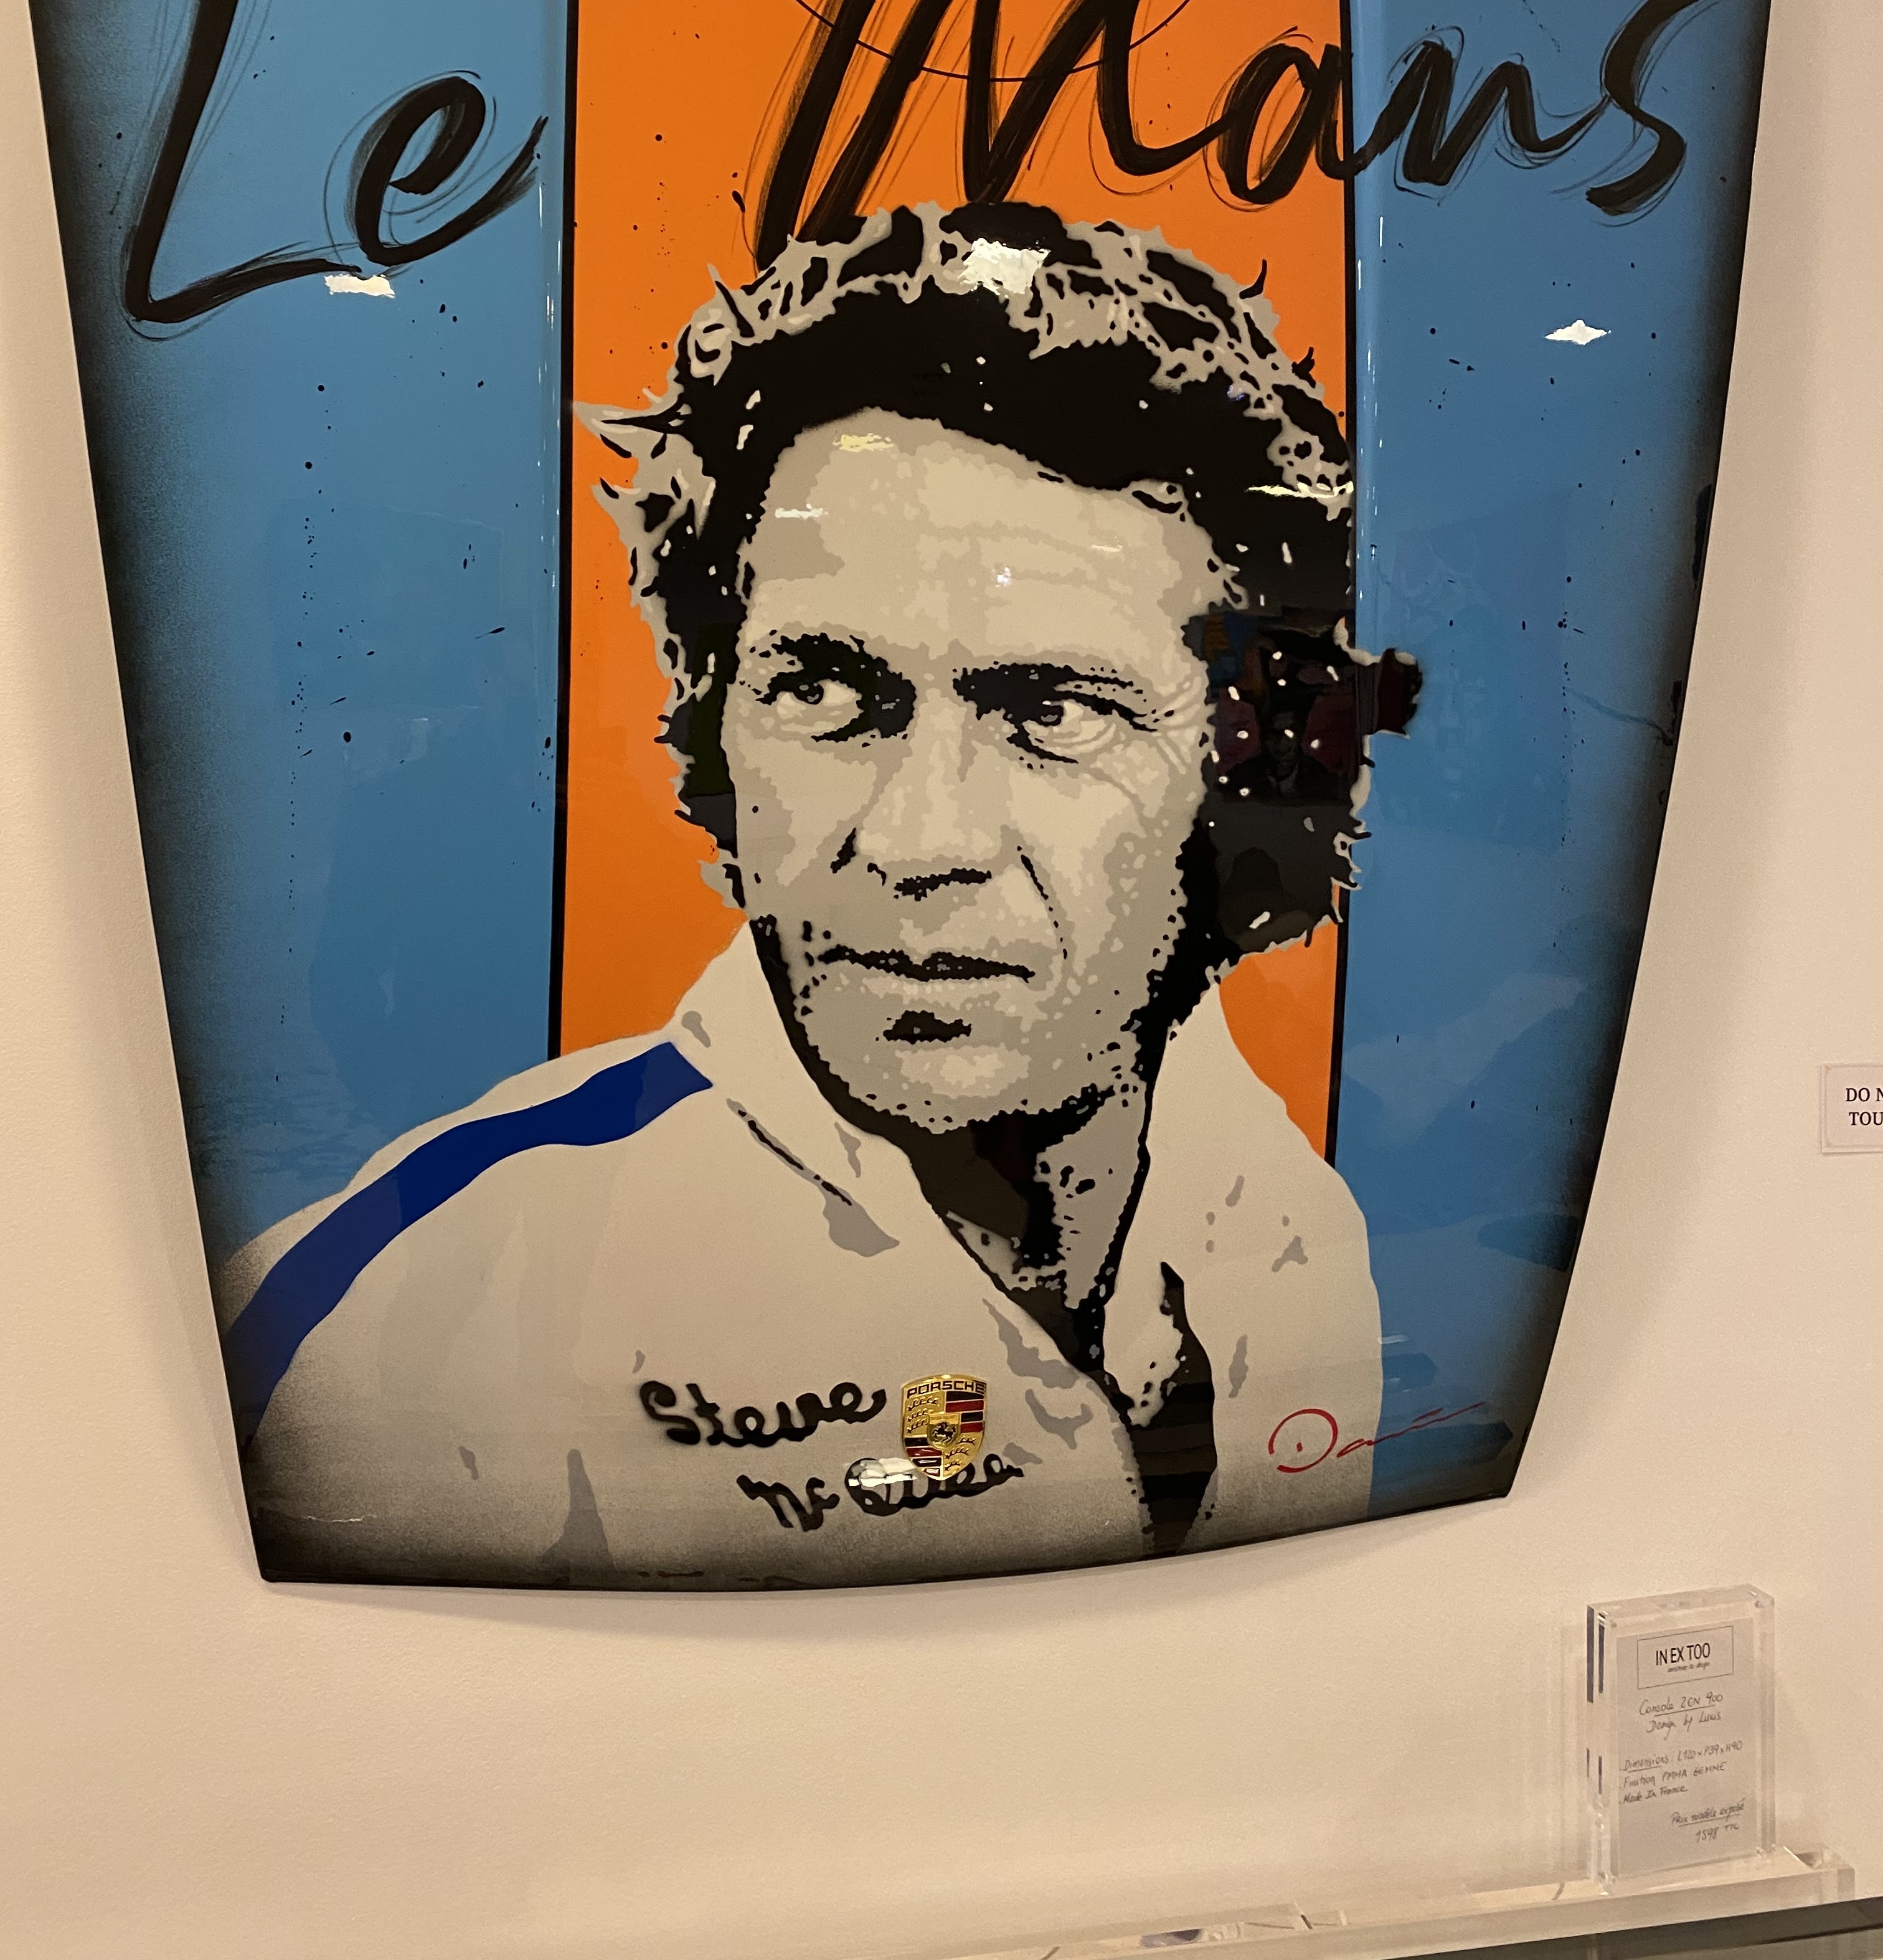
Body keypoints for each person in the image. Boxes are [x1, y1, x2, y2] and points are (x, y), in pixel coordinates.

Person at [220, 202, 1409, 1589]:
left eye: (1057, 712)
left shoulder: (1288, 1217)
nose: (919, 840)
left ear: (1244, 771)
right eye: (828, 694)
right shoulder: (406, 1322)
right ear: (717, 736)